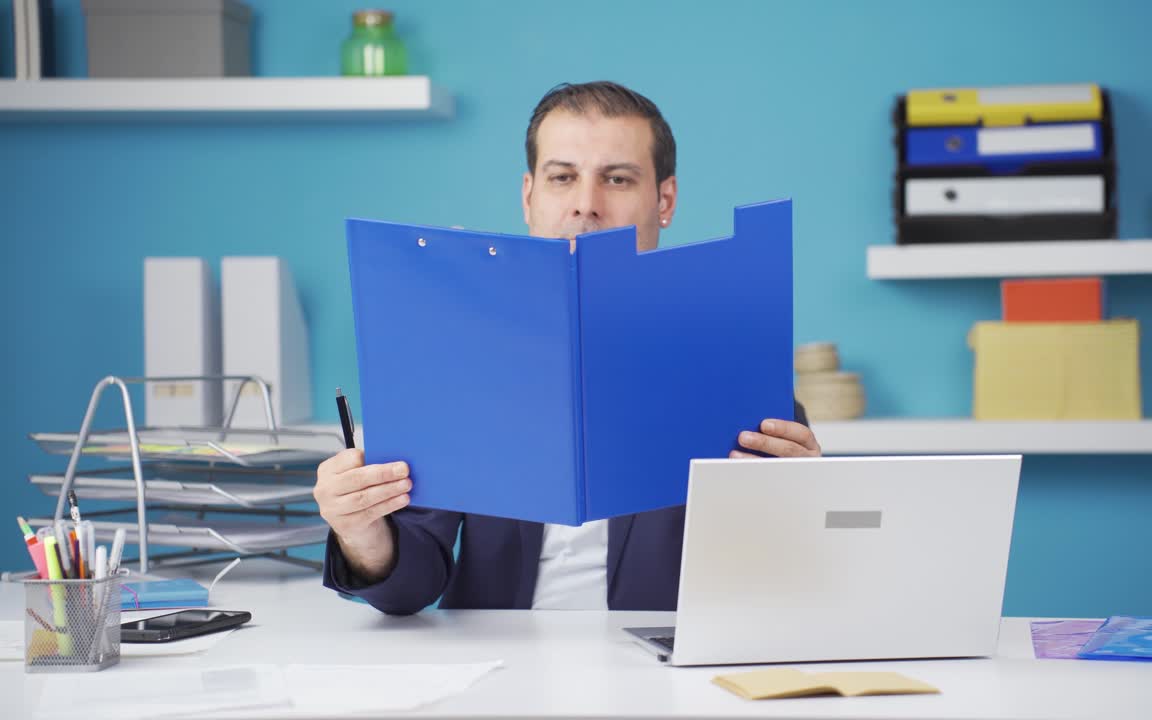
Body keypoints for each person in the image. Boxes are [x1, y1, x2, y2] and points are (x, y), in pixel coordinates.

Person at [316, 81, 822, 615]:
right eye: (562, 177)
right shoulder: (456, 355)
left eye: (617, 178)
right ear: (528, 196)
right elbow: (409, 590)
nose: (586, 205)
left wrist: (808, 508)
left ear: (665, 200)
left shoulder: (740, 371)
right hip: (498, 656)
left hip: (661, 658)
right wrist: (361, 532)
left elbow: (780, 587)